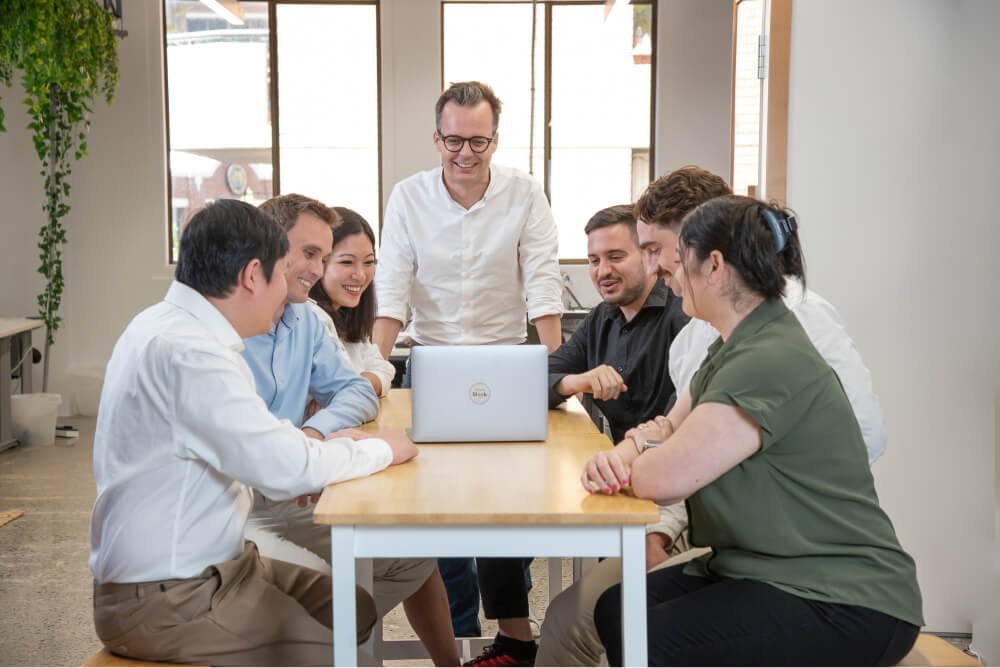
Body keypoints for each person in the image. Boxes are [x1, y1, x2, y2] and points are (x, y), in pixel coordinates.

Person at [537, 166, 890, 666]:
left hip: (798, 558)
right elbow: (669, 432)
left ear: (710, 255)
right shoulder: (708, 344)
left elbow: (670, 463)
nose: (660, 268)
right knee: (615, 612)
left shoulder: (780, 337)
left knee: (642, 633)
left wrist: (694, 460)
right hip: (730, 536)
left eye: (660, 251)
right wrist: (647, 459)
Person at [89, 199, 417, 666]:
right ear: (251, 275)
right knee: (339, 649)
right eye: (285, 272)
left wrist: (332, 442)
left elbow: (275, 446)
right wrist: (382, 450)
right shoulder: (190, 354)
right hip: (169, 596)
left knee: (357, 609)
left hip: (223, 564)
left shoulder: (171, 328)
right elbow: (285, 467)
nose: (290, 288)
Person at [373, 81, 563, 662]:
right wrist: (376, 372)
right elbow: (392, 285)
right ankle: (456, 642)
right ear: (436, 137)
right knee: (435, 505)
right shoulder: (409, 196)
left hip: (505, 363)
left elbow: (542, 278)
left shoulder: (525, 193)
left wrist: (551, 368)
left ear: (494, 139)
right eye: (453, 140)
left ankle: (513, 635)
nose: (465, 153)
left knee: (505, 503)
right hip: (431, 362)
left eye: (478, 141)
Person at [243, 195, 458, 666]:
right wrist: (312, 454)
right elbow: (249, 451)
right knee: (343, 587)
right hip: (242, 503)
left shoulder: (308, 319)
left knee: (415, 556)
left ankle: (321, 637)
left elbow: (358, 392)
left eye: (323, 256)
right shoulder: (232, 325)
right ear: (270, 250)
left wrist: (315, 435)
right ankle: (315, 637)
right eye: (311, 254)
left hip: (295, 485)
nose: (317, 269)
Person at [548, 204, 688, 444]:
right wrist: (576, 381)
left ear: (649, 255)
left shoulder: (684, 315)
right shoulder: (600, 319)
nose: (603, 271)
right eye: (594, 261)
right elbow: (535, 377)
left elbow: (684, 421)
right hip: (622, 465)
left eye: (615, 257)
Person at [309, 207, 395, 397]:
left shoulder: (347, 315)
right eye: (347, 262)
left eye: (368, 262)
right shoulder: (313, 317)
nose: (360, 275)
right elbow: (338, 389)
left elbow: (385, 371)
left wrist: (357, 385)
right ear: (319, 262)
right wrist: (365, 382)